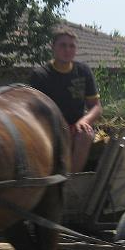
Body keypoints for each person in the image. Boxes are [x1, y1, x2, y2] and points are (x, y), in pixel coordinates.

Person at [29, 29, 102, 172]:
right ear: (53, 47)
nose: (67, 50)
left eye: (71, 46)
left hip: (76, 128)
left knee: (85, 134)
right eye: (63, 45)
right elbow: (35, 113)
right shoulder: (41, 75)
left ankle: (70, 180)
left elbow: (96, 107)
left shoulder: (83, 71)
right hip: (50, 128)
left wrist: (85, 121)